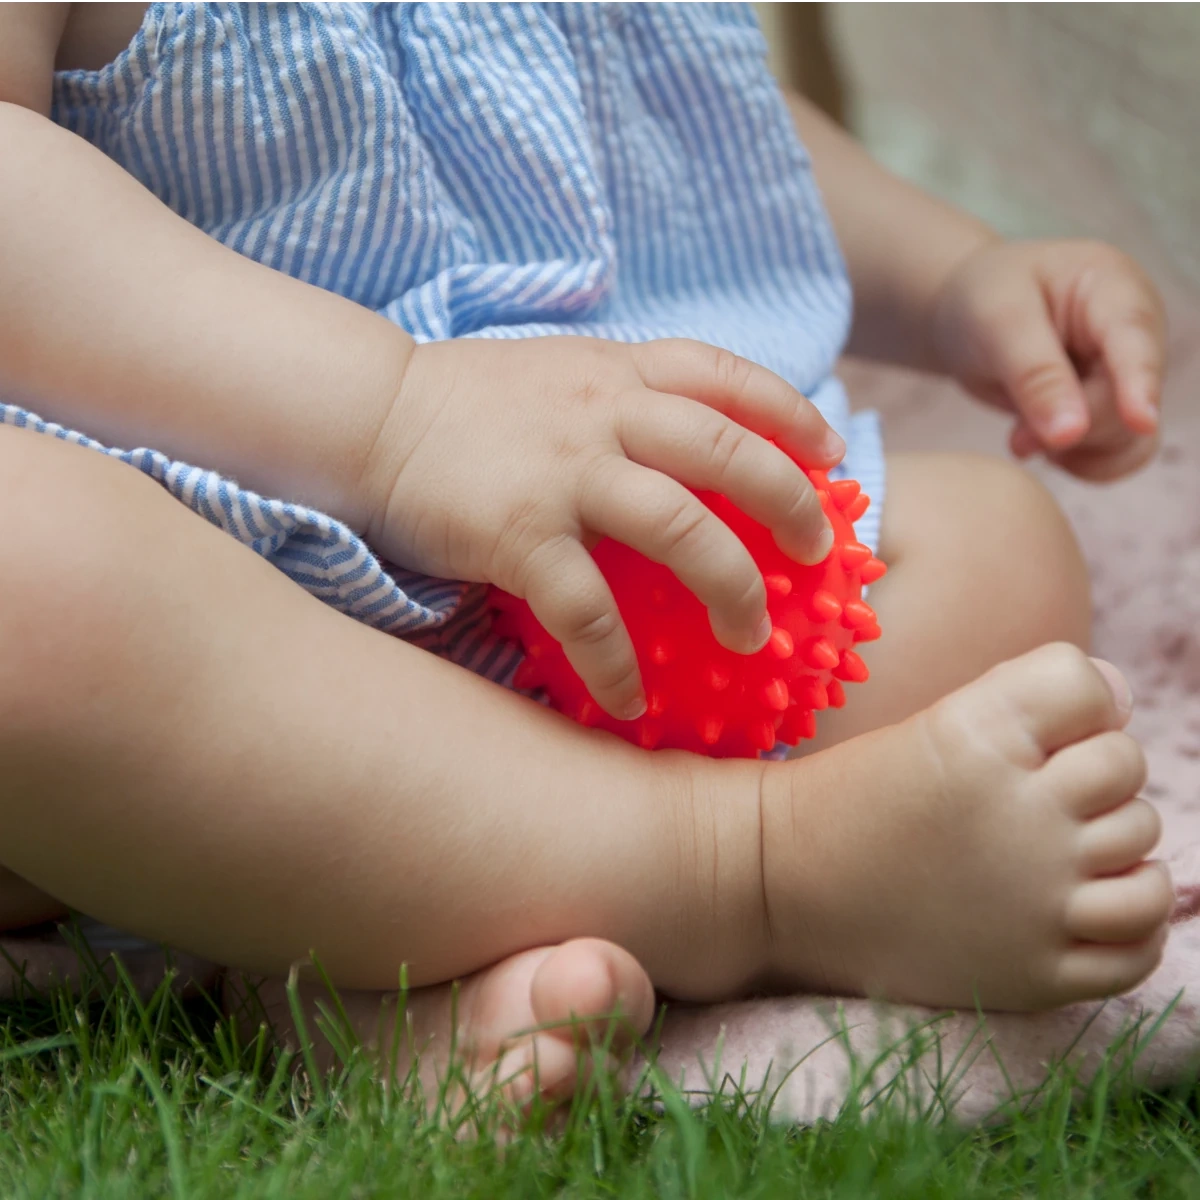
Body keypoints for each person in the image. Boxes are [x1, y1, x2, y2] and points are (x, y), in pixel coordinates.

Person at [0, 2, 1172, 1111]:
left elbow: (696, 107)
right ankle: (752, 869)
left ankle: (372, 961)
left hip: (640, 555)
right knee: (24, 578)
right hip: (237, 584)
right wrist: (401, 419)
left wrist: (954, 277)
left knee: (999, 547)